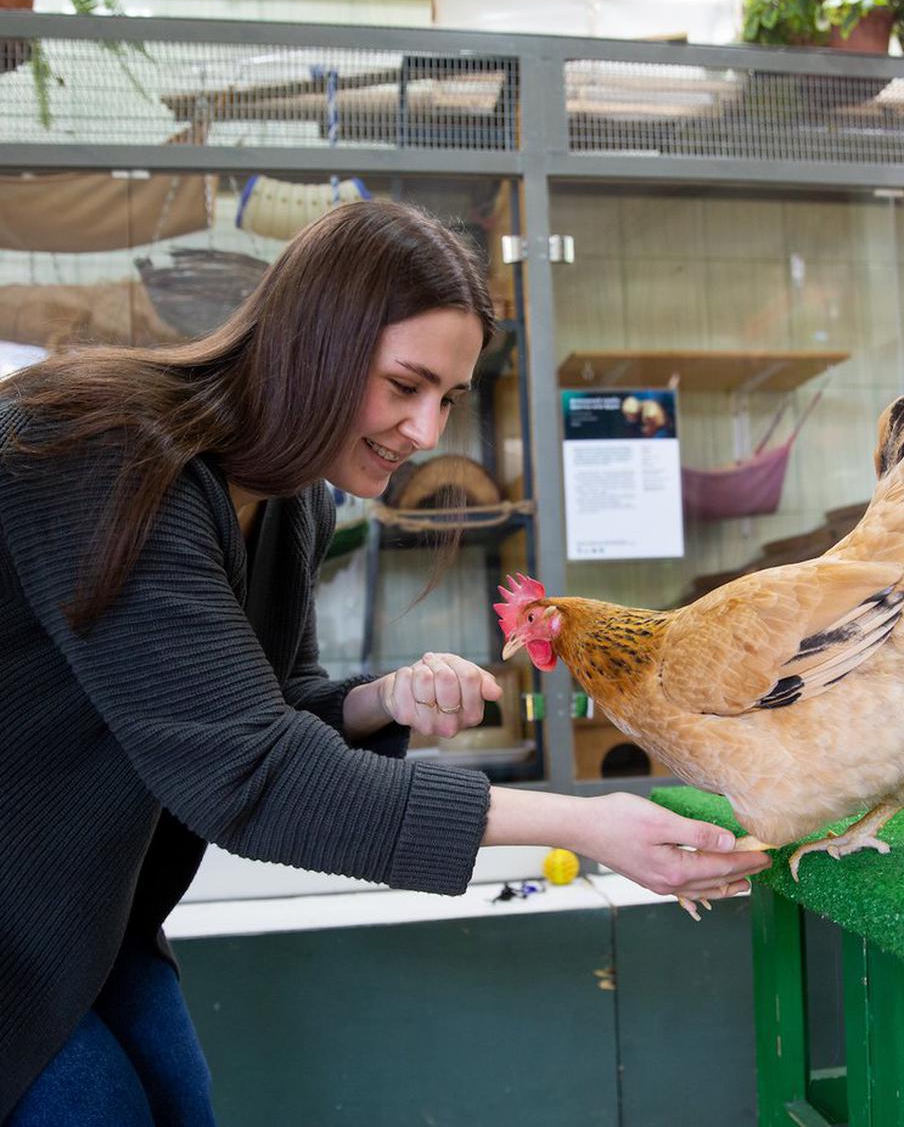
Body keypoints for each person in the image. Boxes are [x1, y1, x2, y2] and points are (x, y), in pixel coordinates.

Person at [0, 201, 770, 1123]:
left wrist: (376, 704)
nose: (427, 431)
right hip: (18, 918)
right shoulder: (111, 455)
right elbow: (251, 775)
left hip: (91, 914)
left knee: (176, 1101)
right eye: (405, 384)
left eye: (448, 398)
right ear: (311, 343)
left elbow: (259, 711)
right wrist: (584, 824)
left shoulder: (293, 508)